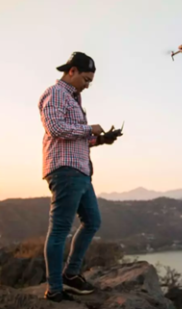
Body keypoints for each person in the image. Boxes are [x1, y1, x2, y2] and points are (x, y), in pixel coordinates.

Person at [38, 51, 117, 302]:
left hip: (81, 171)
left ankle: (71, 275)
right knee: (60, 229)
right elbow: (56, 128)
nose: (88, 84)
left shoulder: (73, 98)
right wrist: (88, 128)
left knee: (92, 222)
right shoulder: (55, 94)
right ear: (71, 71)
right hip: (65, 170)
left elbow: (77, 139)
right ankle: (54, 289)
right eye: (86, 78)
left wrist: (101, 139)